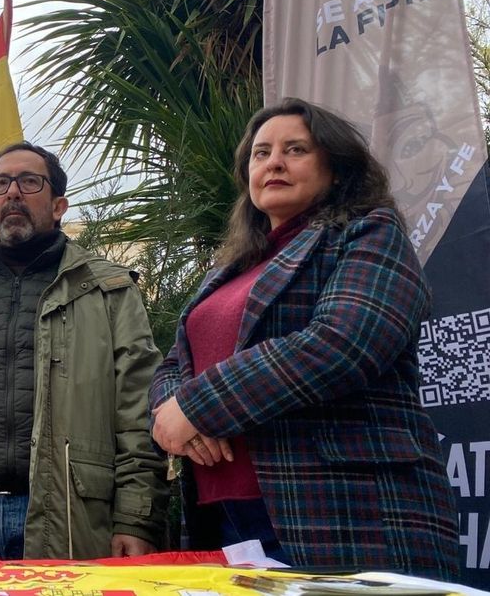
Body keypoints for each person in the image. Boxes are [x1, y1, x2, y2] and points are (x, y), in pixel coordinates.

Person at [149, 98, 458, 578]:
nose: (273, 161)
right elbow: (174, 363)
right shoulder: (229, 269)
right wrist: (176, 416)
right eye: (260, 152)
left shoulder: (370, 232)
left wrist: (196, 407)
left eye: (295, 149)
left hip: (341, 512)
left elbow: (344, 342)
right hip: (224, 516)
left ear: (335, 170)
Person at [0, 142, 167, 560]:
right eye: (1, 183)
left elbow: (138, 409)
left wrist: (135, 517)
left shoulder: (109, 291)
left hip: (69, 516)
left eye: (29, 181)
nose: (13, 192)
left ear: (59, 206)